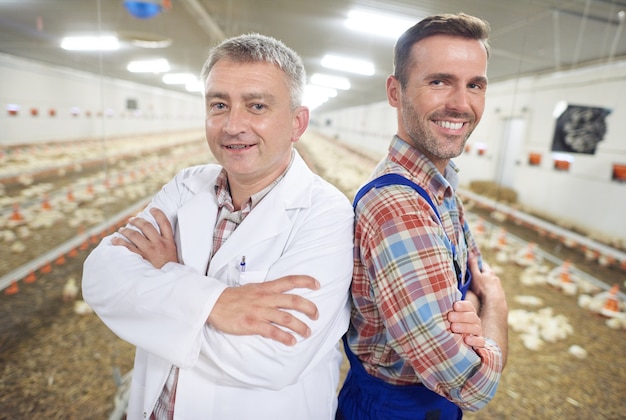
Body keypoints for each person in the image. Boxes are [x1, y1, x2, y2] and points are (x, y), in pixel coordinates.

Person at [81, 33, 356, 419]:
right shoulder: (186, 186)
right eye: (219, 104)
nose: (232, 125)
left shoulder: (325, 213)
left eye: (256, 105)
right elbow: (99, 277)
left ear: (297, 123)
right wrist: (216, 303)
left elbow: (273, 358)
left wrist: (164, 281)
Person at [336, 13, 509, 420]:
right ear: (395, 91)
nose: (461, 103)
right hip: (391, 409)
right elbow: (472, 384)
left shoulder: (440, 184)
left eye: (475, 85)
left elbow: (473, 277)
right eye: (439, 81)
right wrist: (496, 306)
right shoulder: (399, 206)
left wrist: (472, 305)